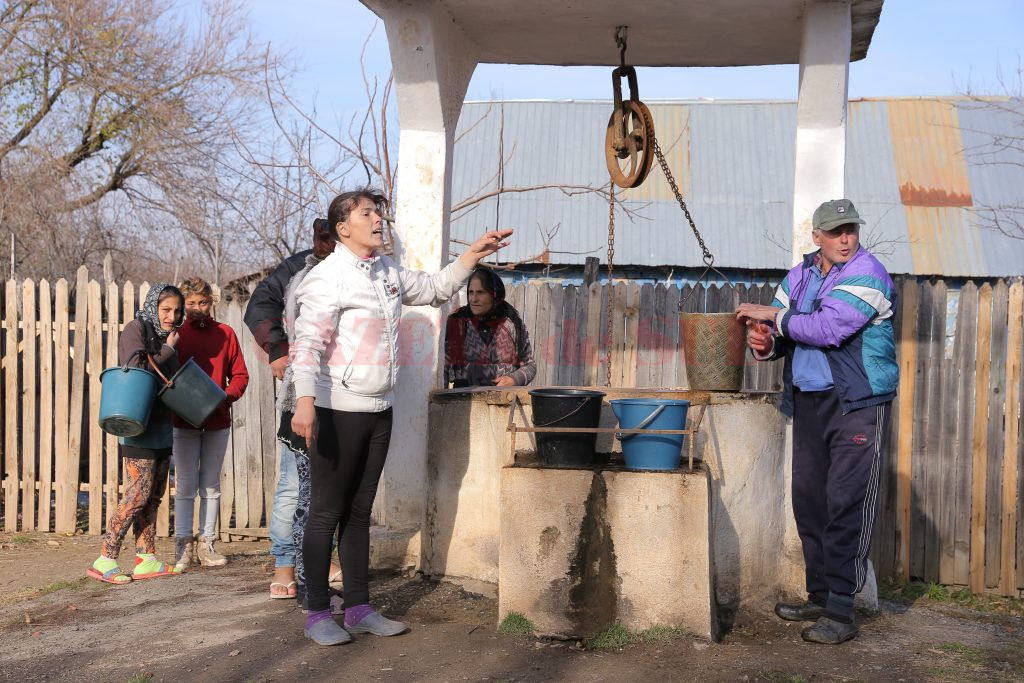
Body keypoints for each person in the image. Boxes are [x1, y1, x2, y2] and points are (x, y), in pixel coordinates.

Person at [290, 188, 511, 645]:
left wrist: (472, 254)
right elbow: (307, 345)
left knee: (358, 513)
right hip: (335, 409)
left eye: (378, 213)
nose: (377, 220)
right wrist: (306, 402)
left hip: (379, 410)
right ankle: (316, 613)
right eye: (367, 213)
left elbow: (434, 289)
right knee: (326, 512)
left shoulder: (386, 271)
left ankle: (358, 608)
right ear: (342, 227)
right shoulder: (326, 278)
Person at [735, 198, 898, 645]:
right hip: (808, 401)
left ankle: (842, 611)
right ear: (818, 237)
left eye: (851, 230)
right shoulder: (798, 276)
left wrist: (772, 316)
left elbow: (827, 329)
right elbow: (781, 336)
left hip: (856, 404)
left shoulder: (868, 273)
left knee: (847, 501)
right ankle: (821, 594)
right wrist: (763, 343)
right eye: (836, 231)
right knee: (809, 499)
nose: (846, 239)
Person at [244, 228, 343, 600]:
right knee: (291, 483)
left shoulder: (364, 271)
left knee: (326, 486)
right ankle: (284, 564)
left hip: (341, 395)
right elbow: (260, 306)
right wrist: (277, 349)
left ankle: (320, 561)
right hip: (298, 394)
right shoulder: (300, 269)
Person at [88, 284, 185, 584]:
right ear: (154, 306)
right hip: (137, 423)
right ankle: (105, 559)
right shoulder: (136, 328)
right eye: (166, 309)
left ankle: (146, 558)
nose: (172, 315)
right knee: (137, 492)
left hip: (162, 423)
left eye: (177, 311)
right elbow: (135, 365)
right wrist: (168, 350)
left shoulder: (168, 335)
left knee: (154, 494)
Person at [171, 277, 249, 572]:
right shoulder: (176, 334)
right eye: (190, 303)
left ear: (211, 303)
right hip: (182, 419)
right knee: (186, 485)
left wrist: (225, 397)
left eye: (202, 303)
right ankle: (182, 545)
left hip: (217, 419)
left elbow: (240, 375)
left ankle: (207, 543)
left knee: (211, 486)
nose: (196, 309)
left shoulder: (225, 334)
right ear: (183, 304)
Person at [444, 266, 536, 388]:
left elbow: (530, 365)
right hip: (465, 402)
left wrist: (514, 379)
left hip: (506, 401)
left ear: (495, 295)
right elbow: (442, 369)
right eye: (471, 292)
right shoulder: (457, 323)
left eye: (480, 292)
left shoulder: (513, 324)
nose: (473, 299)